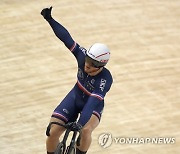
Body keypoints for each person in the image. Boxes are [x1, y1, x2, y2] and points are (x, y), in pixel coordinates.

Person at [40, 6, 113, 154]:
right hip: (75, 97)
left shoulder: (105, 79)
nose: (87, 66)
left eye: (92, 65)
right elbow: (67, 38)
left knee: (85, 130)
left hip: (92, 106)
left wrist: (79, 124)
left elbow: (92, 103)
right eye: (87, 60)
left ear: (101, 66)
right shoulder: (82, 56)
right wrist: (50, 19)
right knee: (52, 131)